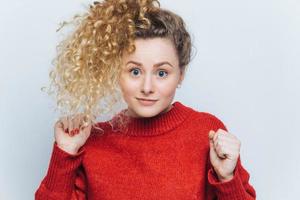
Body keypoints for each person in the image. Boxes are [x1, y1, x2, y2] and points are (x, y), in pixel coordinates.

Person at [35, 0, 256, 199]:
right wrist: (65, 153)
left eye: (161, 73)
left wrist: (227, 178)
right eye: (134, 71)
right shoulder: (93, 143)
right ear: (115, 72)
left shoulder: (206, 133)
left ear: (181, 74)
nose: (147, 87)